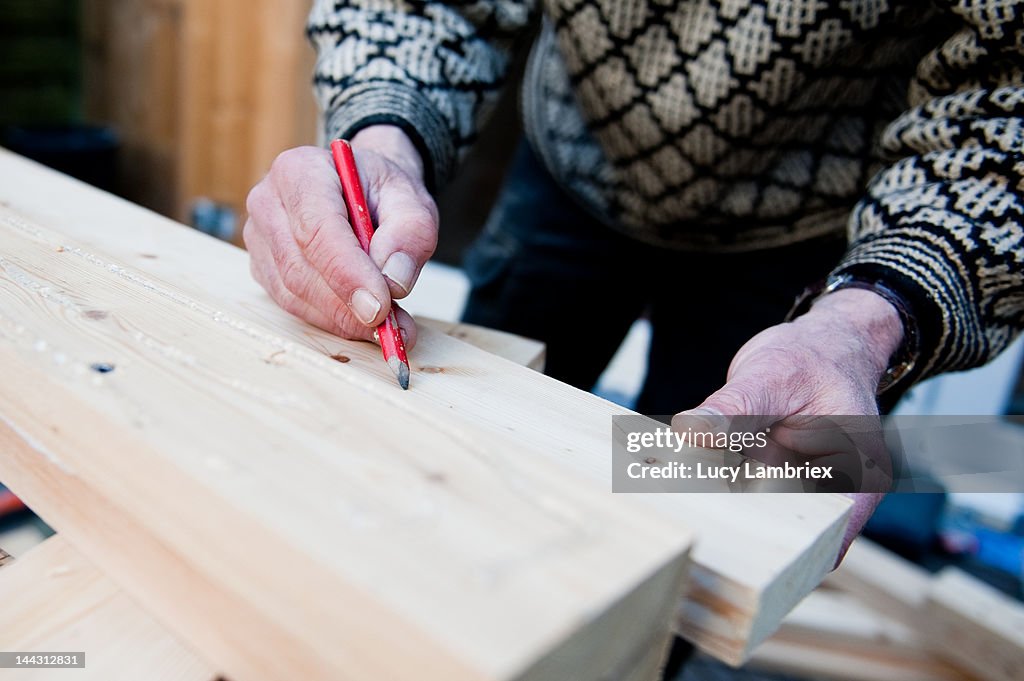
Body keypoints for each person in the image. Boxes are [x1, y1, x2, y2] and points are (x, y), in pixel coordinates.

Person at [243, 2, 1024, 550]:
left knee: (713, 524)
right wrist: (384, 130)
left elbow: (1007, 107)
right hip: (569, 162)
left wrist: (870, 321)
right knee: (459, 447)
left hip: (815, 241)